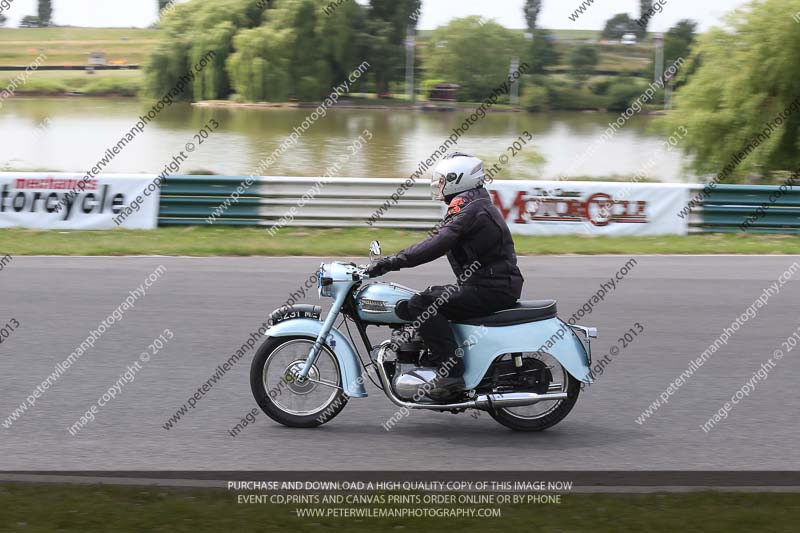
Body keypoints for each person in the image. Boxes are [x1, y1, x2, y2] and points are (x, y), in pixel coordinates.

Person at [365, 152, 524, 399]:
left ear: (457, 179)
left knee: (422, 303)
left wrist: (390, 263)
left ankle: (451, 374)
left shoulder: (470, 211)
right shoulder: (473, 205)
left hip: (493, 288)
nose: (438, 185)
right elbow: (436, 241)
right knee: (426, 297)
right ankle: (431, 355)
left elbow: (436, 244)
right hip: (490, 284)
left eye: (442, 180)